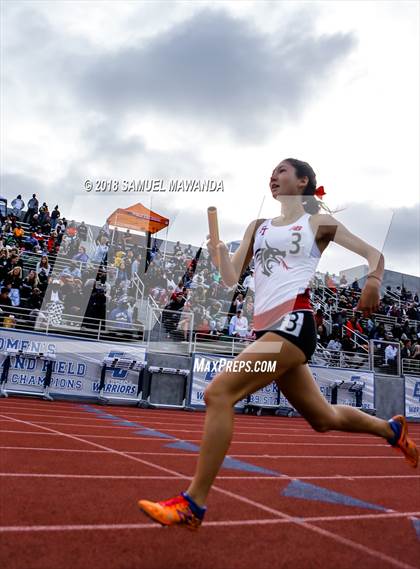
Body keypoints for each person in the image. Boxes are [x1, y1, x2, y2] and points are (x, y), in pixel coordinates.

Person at [138, 157, 418, 529]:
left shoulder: (317, 222)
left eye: (282, 171)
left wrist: (373, 281)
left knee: (218, 394)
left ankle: (193, 503)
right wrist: (220, 252)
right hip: (268, 330)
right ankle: (391, 430)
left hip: (293, 324)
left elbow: (374, 255)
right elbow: (229, 279)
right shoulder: (258, 227)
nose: (273, 176)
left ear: (303, 182)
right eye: (271, 172)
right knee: (323, 418)